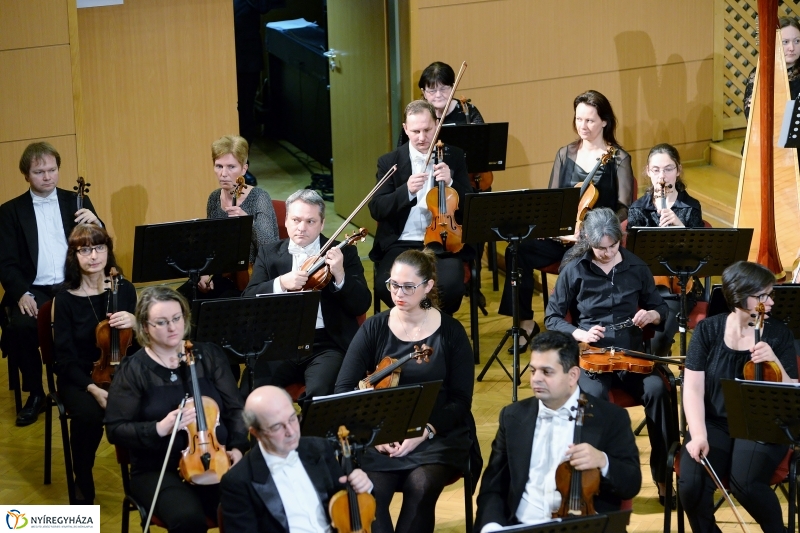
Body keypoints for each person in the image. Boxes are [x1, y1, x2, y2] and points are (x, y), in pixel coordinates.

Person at [334, 248, 475, 533]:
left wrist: (425, 431)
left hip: (436, 433)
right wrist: (373, 436)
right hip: (380, 433)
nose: (398, 293)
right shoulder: (374, 328)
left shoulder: (451, 332)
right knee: (371, 493)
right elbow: (344, 388)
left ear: (428, 287)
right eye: (393, 284)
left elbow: (461, 400)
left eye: (409, 287)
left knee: (420, 487)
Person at [544, 207, 676, 505]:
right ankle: (599, 482)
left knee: (658, 390)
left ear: (621, 241)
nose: (606, 253)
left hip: (631, 355)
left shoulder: (638, 267)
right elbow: (552, 317)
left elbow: (662, 309)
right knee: (593, 400)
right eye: (600, 248)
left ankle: (663, 476)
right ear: (589, 242)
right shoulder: (574, 270)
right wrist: (580, 334)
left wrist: (651, 314)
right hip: (592, 358)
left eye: (612, 247)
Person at [105, 286, 248, 532]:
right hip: (158, 469)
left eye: (176, 318)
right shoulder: (134, 370)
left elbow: (235, 410)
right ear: (145, 327)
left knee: (248, 505)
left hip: (217, 461)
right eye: (161, 322)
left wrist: (237, 447)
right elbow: (115, 430)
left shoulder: (208, 356)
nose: (172, 327)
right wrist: (160, 428)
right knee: (187, 518)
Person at [498, 90, 633, 351]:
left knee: (571, 262)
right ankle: (525, 322)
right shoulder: (565, 154)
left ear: (604, 121)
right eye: (579, 119)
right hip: (563, 233)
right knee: (518, 250)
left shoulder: (618, 158)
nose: (583, 126)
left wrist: (595, 231)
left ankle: (563, 326)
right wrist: (551, 229)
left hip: (593, 238)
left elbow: (624, 208)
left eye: (590, 120)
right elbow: (553, 201)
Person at [474, 331, 641, 531]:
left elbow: (631, 483)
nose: (536, 379)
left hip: (581, 527)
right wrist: (491, 526)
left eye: (547, 372)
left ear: (572, 376)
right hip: (521, 524)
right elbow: (492, 487)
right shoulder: (512, 417)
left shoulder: (610, 418)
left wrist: (603, 461)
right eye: (533, 370)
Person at [679, 261, 798, 533]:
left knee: (746, 483)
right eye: (762, 295)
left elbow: (792, 388)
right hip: (716, 422)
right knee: (692, 486)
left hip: (762, 424)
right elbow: (693, 388)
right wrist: (698, 435)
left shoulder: (778, 334)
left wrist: (775, 361)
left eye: (771, 294)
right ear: (740, 295)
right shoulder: (708, 330)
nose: (770, 302)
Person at [0, 141, 102, 427]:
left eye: (52, 170)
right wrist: (21, 293)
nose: (47, 177)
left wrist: (97, 222)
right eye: (39, 171)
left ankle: (87, 382)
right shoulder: (10, 212)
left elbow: (99, 244)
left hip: (74, 285)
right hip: (37, 290)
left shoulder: (77, 202)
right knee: (21, 327)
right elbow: (6, 262)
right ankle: (36, 392)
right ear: (26, 175)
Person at [242, 189, 371, 400]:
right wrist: (281, 283)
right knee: (253, 390)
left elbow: (361, 304)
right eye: (296, 220)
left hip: (326, 345)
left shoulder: (343, 253)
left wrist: (340, 275)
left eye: (310, 221)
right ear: (286, 220)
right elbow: (248, 299)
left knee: (321, 396)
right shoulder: (269, 253)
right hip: (279, 343)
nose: (302, 228)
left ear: (322, 223)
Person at [52, 224, 137, 505]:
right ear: (73, 256)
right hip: (79, 376)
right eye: (85, 250)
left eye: (100, 247)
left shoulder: (123, 289)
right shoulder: (64, 300)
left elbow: (138, 346)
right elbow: (62, 359)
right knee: (88, 416)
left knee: (149, 403)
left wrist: (136, 324)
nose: (94, 256)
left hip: (122, 371)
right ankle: (83, 482)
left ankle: (142, 477)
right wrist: (93, 388)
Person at [219, 385, 373, 532]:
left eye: (293, 418)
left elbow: (345, 503)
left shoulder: (319, 448)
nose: (291, 432)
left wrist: (360, 487)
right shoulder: (238, 481)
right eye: (277, 426)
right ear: (255, 433)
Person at [370, 99, 473, 315]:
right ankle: (419, 327)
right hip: (400, 243)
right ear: (406, 129)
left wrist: (452, 183)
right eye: (415, 131)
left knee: (451, 286)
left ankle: (433, 329)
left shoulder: (453, 156)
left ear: (437, 124)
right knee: (385, 285)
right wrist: (405, 191)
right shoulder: (389, 162)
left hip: (443, 241)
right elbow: (377, 208)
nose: (422, 137)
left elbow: (472, 204)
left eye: (427, 129)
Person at [627, 143, 704, 358]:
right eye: (656, 170)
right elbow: (632, 256)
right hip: (641, 285)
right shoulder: (638, 209)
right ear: (648, 172)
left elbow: (700, 256)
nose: (662, 176)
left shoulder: (691, 207)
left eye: (668, 169)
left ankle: (658, 376)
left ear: (678, 171)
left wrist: (681, 228)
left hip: (676, 287)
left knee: (658, 340)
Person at [195, 134, 279, 299]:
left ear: (244, 169)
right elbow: (213, 244)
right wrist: (206, 273)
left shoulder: (259, 197)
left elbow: (270, 246)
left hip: (252, 279)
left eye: (231, 167)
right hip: (223, 273)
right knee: (185, 299)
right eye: (218, 166)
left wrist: (247, 222)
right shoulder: (213, 198)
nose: (223, 174)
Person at [397, 61, 484, 147]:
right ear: (424, 92)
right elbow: (402, 152)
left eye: (443, 89)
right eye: (432, 90)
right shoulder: (416, 114)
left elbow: (483, 145)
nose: (438, 95)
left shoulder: (469, 112)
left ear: (452, 88)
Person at [743, 16, 800, 121]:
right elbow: (750, 116)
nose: (792, 48)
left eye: (797, 41)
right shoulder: (759, 74)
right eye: (785, 42)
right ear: (774, 43)